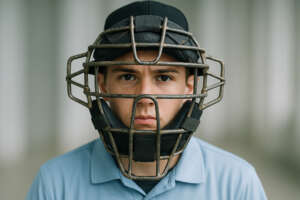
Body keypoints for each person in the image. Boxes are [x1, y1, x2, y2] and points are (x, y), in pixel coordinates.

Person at [26, 1, 268, 199]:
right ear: (103, 84)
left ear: (189, 85)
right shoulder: (55, 184)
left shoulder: (236, 183)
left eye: (163, 77)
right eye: (128, 76)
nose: (145, 97)